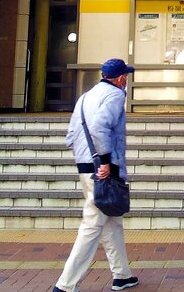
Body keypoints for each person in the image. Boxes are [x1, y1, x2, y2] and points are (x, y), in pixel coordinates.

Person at [54, 58, 139, 292]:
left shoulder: (86, 96)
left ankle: (122, 275)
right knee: (93, 223)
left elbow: (71, 135)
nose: (127, 80)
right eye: (126, 76)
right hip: (103, 167)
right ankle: (65, 284)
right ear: (121, 78)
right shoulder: (115, 96)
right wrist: (104, 161)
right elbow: (100, 126)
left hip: (85, 165)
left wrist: (86, 159)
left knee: (112, 218)